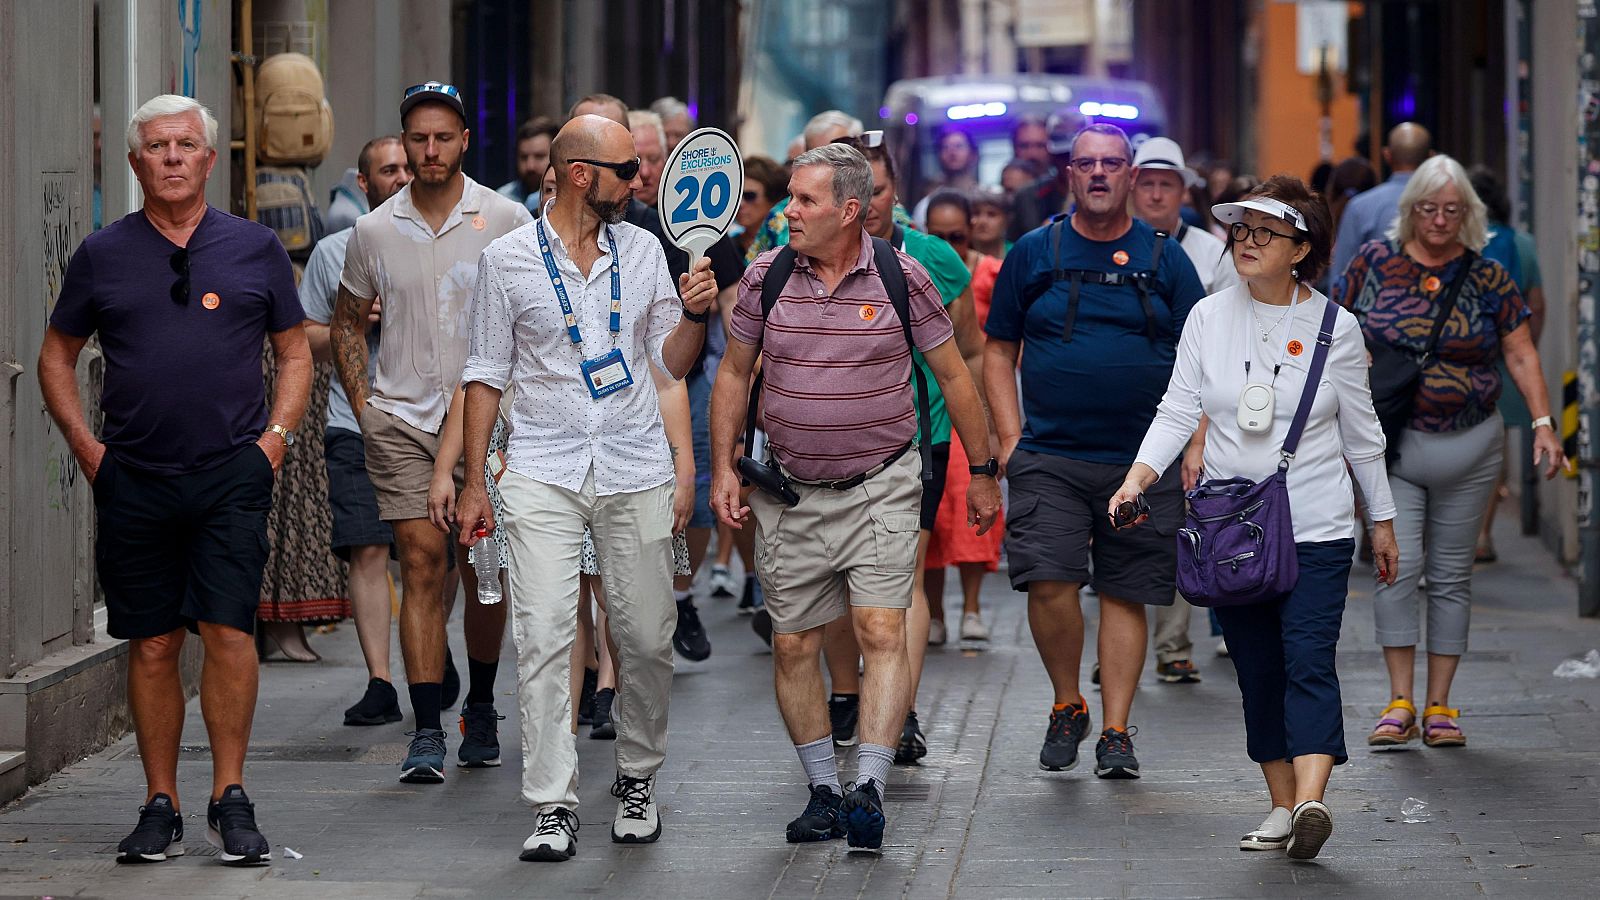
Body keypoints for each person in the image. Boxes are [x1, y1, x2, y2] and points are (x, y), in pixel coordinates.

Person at [39, 94, 310, 866]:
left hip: (233, 472)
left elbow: (294, 350)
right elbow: (56, 354)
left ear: (208, 157)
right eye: (156, 147)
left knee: (228, 630)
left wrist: (275, 441)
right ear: (134, 163)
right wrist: (88, 450)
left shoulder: (255, 247)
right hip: (134, 474)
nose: (171, 158)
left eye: (185, 145)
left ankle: (232, 796)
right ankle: (161, 802)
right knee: (152, 642)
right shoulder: (102, 253)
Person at [709, 142, 1000, 851]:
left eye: (804, 201)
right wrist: (722, 467)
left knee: (879, 630)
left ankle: (867, 784)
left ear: (849, 211)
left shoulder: (903, 279)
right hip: (790, 491)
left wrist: (985, 469)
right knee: (792, 643)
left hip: (882, 482)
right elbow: (734, 376)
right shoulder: (765, 278)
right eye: (789, 199)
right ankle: (822, 791)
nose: (788, 212)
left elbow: (956, 376)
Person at [454, 113, 720, 861]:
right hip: (540, 468)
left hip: (634, 465)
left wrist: (696, 313)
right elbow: (484, 374)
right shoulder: (506, 261)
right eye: (627, 170)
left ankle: (637, 777)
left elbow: (671, 360)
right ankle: (551, 803)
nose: (639, 182)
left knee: (644, 638)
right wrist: (476, 481)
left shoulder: (644, 253)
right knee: (541, 636)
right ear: (581, 175)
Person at [1113, 176, 1400, 860]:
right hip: (1228, 530)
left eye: (1265, 233)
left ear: (1302, 248)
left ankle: (1310, 800)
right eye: (1241, 230)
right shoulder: (1209, 316)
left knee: (1307, 660)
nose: (1246, 242)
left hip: (1318, 526)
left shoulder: (1339, 328)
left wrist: (1382, 520)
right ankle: (1281, 803)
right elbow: (1180, 409)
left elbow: (1363, 436)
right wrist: (1139, 475)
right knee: (1256, 667)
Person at [983, 123, 1206, 780]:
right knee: (1048, 581)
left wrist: (1192, 443)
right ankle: (1067, 702)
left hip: (1141, 462)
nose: (1101, 174)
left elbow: (1200, 358)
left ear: (1133, 176)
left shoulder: (1167, 259)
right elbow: (998, 350)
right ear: (1071, 175)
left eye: (1114, 164)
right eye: (1088, 164)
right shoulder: (1034, 250)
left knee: (1123, 591)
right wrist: (1011, 438)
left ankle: (1115, 731)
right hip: (1049, 454)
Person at [331, 81, 532, 783]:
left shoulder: (506, 218)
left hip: (490, 421)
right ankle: (425, 730)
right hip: (403, 419)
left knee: (483, 571)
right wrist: (365, 408)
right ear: (403, 141)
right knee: (419, 563)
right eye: (418, 137)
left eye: (443, 136)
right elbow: (349, 322)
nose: (430, 149)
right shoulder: (373, 228)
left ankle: (479, 703)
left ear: (465, 141)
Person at [1333, 154, 1566, 750]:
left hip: (1472, 444)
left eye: (1451, 210)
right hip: (1395, 447)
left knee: (1451, 577)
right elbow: (1332, 326)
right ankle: (1399, 700)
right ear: (1410, 211)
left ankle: (1441, 705)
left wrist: (1543, 421)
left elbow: (1520, 353)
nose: (1438, 220)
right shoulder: (1373, 263)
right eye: (1429, 208)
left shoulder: (1488, 276)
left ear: (1468, 215)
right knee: (1396, 567)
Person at [826, 134, 983, 764]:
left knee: (901, 579)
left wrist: (988, 445)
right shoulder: (793, 254)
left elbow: (968, 350)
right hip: (826, 443)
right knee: (835, 579)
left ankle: (902, 710)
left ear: (896, 193)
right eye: (852, 192)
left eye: (878, 190)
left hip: (918, 438)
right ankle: (845, 695)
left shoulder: (932, 258)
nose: (864, 204)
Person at [302, 135, 413, 724]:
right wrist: (353, 318)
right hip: (355, 422)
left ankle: (432, 655)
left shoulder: (437, 248)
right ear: (364, 184)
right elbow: (306, 338)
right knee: (367, 548)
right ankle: (380, 681)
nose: (399, 177)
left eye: (405, 168)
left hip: (430, 425)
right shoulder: (334, 252)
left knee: (431, 559)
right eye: (386, 170)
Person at [1128, 136, 1239, 685]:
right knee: (1121, 527)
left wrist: (1203, 429)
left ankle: (1172, 645)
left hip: (1191, 408)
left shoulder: (1213, 252)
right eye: (1145, 183)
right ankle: (1117, 649)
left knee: (1179, 523)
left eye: (1164, 184)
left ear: (1181, 191)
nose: (1154, 194)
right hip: (1125, 408)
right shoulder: (1109, 245)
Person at [922, 190, 1005, 644]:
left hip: (973, 400)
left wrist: (992, 426)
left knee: (971, 507)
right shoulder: (914, 267)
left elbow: (987, 349)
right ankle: (934, 613)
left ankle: (971, 608)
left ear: (971, 230)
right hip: (927, 404)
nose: (950, 245)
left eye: (958, 235)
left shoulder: (990, 271)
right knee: (930, 519)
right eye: (940, 236)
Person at [1468, 165, 1546, 561]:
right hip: (1504, 362)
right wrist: (1523, 352)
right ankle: (1483, 535)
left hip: (1463, 361)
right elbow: (1535, 306)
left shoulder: (1459, 241)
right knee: (1493, 451)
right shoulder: (1523, 244)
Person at [1330, 122, 1431, 282]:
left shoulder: (1360, 207)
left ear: (1387, 155)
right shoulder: (1447, 207)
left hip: (1372, 305)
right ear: (1431, 157)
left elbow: (1341, 277)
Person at [1007, 112, 1082, 241]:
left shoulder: (1099, 193)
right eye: (1061, 156)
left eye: (1074, 156)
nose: (1068, 161)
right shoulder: (1026, 196)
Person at [911, 127, 979, 227]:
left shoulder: (987, 202)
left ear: (973, 155)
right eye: (945, 147)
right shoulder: (926, 206)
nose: (952, 153)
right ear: (939, 156)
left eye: (959, 146)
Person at [497, 115, 558, 215]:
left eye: (539, 156)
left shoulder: (568, 200)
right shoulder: (503, 198)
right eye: (524, 157)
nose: (530, 166)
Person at [970, 185, 1012, 258]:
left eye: (992, 214)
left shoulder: (1017, 252)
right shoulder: (957, 255)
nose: (982, 221)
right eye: (976, 213)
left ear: (1006, 219)